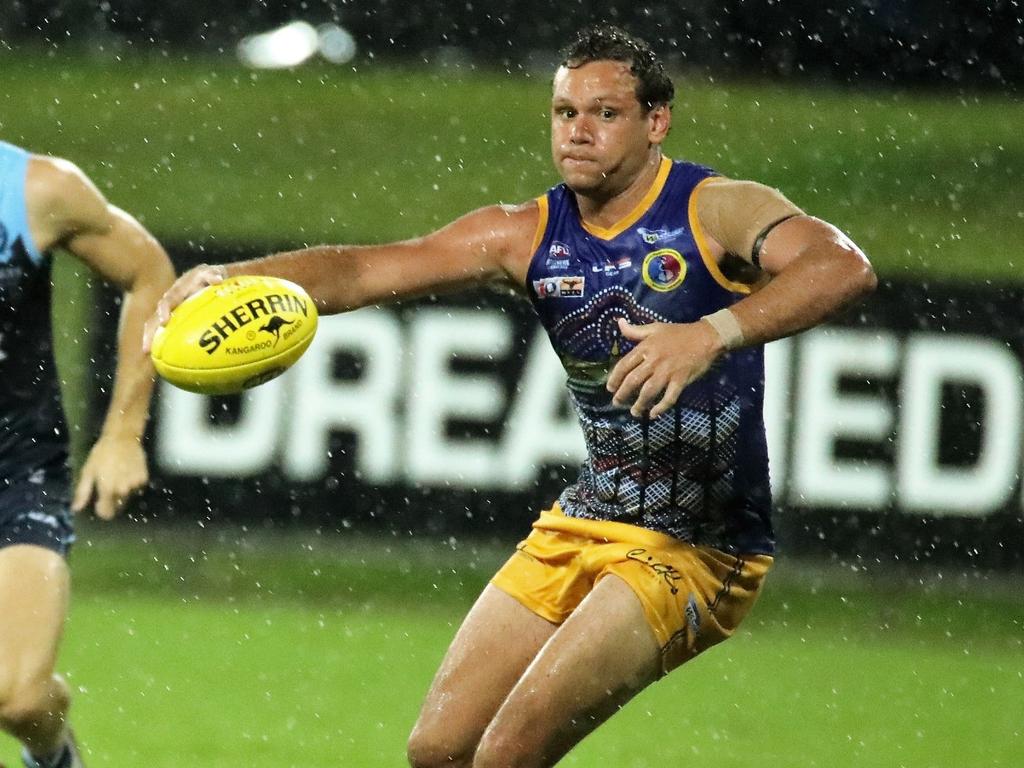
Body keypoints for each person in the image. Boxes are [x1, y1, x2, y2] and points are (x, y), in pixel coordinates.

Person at [145, 24, 876, 768]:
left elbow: (841, 267)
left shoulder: (713, 209)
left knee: (506, 756)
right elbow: (366, 270)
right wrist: (234, 277)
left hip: (697, 548)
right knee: (438, 750)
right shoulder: (526, 233)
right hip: (588, 518)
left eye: (605, 113)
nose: (579, 132)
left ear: (657, 122)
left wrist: (712, 332)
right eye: (565, 113)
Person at [0, 141, 175, 768]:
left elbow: (149, 273)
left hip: (14, 475)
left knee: (19, 698)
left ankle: (52, 755)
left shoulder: (35, 190)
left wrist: (123, 432)